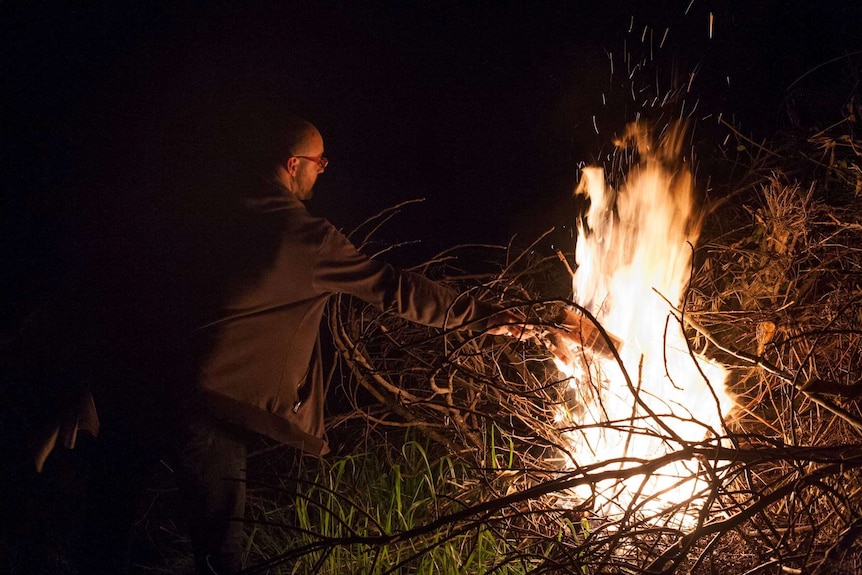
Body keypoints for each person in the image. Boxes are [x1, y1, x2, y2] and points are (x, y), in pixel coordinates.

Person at [73, 115, 529, 575]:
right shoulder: (306, 237)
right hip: (210, 405)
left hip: (141, 383)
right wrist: (484, 316)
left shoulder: (208, 211)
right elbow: (395, 289)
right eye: (319, 161)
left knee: (106, 523)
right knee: (218, 548)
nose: (323, 170)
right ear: (294, 164)